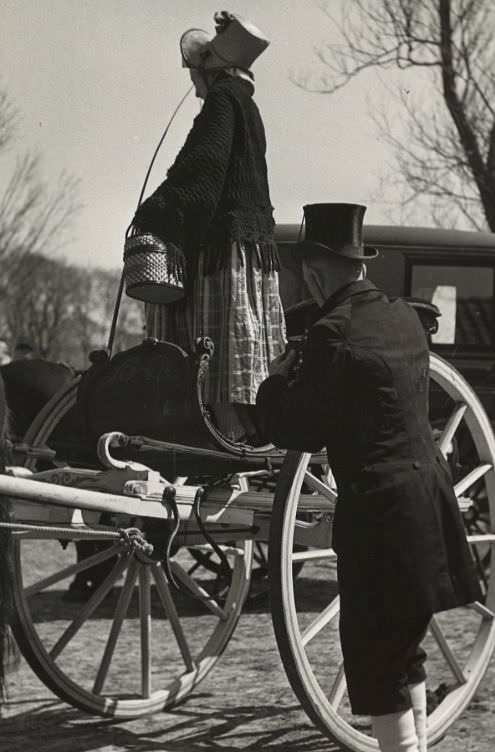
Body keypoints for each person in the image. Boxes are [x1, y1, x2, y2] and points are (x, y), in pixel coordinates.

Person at [256, 203, 482, 752]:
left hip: (381, 517)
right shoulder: (404, 319)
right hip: (428, 504)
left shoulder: (330, 333)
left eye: (303, 271)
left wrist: (273, 381)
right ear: (357, 265)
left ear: (319, 271)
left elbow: (296, 428)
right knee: (403, 656)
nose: (301, 283)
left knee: (380, 669)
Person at [130, 11, 286, 442]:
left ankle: (225, 439)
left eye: (194, 73)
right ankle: (240, 429)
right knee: (239, 353)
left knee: (212, 358)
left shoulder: (221, 101)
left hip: (224, 256)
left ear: (210, 71)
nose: (192, 85)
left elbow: (203, 172)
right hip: (249, 251)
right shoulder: (246, 105)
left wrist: (154, 210)